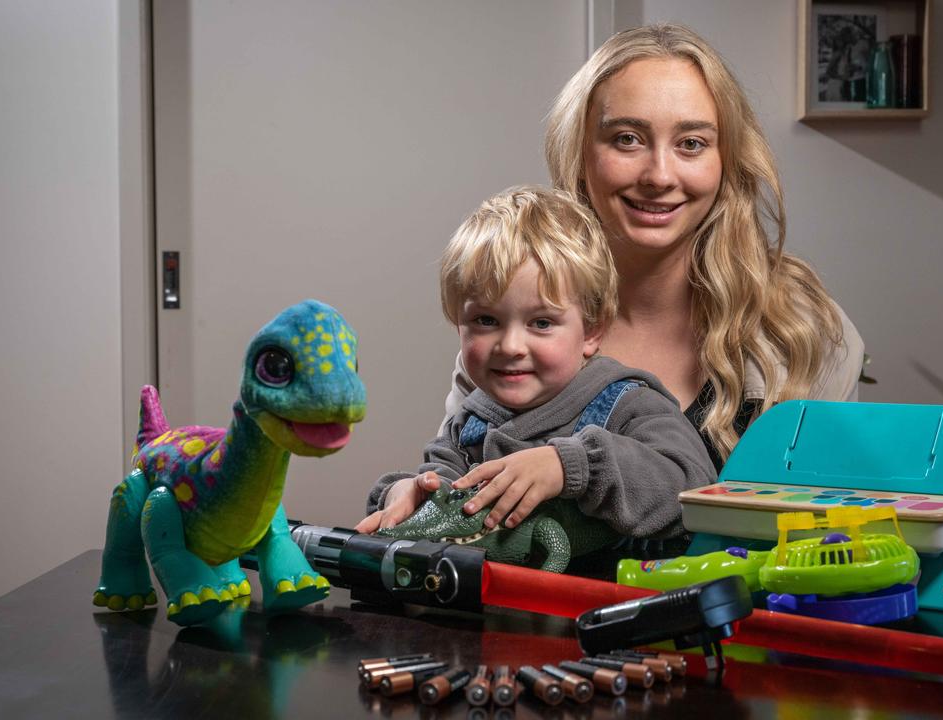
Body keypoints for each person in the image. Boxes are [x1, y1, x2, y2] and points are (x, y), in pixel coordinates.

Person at [364, 23, 863, 538]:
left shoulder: (804, 331)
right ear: (581, 153)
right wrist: (412, 492)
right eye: (627, 138)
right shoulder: (513, 329)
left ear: (726, 160)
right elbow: (461, 490)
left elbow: (834, 536)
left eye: (691, 143)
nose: (659, 175)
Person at [356, 186, 717, 553]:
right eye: (485, 320)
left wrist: (571, 466)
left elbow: (693, 491)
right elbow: (447, 495)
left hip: (610, 603)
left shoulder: (629, 403)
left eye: (541, 323)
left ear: (591, 330)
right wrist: (408, 496)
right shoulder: (468, 425)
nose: (511, 347)